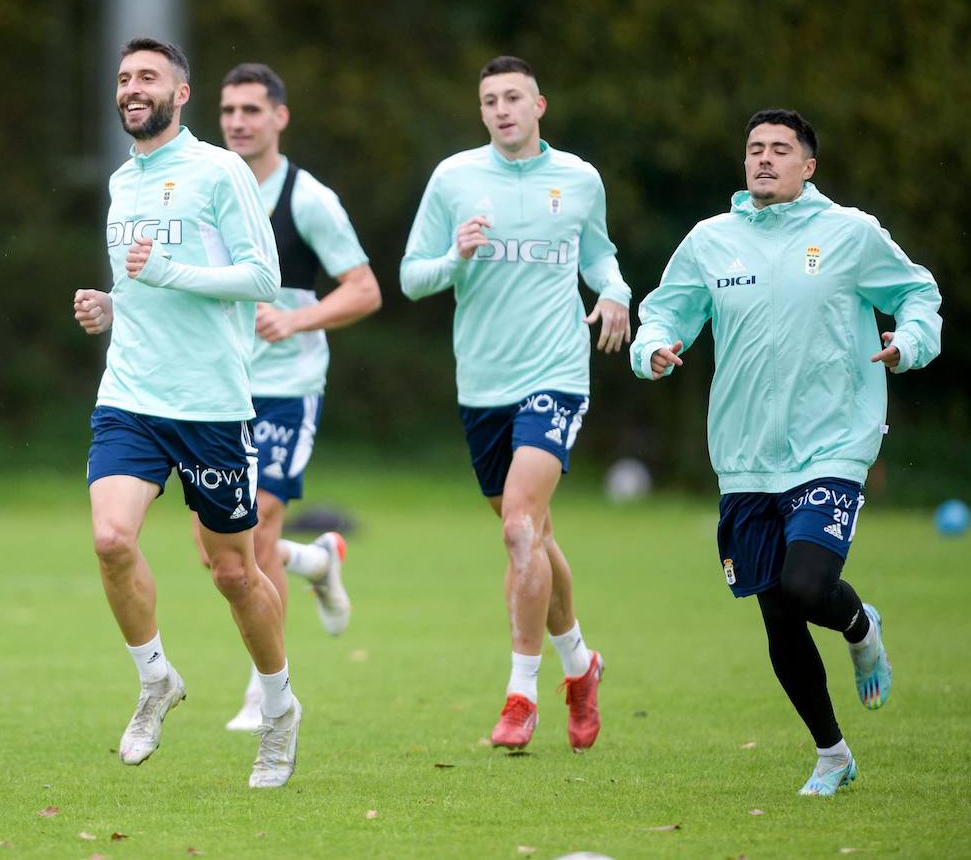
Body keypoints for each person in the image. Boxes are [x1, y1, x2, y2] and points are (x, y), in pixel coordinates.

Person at [631, 108, 941, 796]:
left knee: (806, 587)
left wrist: (910, 341)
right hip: (744, 456)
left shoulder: (850, 235)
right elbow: (665, 311)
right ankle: (832, 755)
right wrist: (650, 346)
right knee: (778, 612)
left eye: (779, 150)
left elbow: (917, 292)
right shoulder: (712, 241)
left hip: (833, 445)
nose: (764, 159)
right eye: (754, 150)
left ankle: (860, 627)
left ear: (809, 166)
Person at [71, 38, 301, 788]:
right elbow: (142, 286)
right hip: (130, 395)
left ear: (181, 91)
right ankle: (155, 679)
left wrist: (171, 272)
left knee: (235, 574)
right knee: (110, 539)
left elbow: (263, 278)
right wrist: (110, 306)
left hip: (208, 404)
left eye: (147, 77)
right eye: (123, 77)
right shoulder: (121, 182)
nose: (132, 87)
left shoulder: (219, 171)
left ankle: (277, 708)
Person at [400, 55, 629, 752]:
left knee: (519, 532)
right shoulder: (453, 179)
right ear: (482, 113)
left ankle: (520, 696)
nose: (502, 109)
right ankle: (580, 664)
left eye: (513, 98)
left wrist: (615, 291)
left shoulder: (579, 179)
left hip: (555, 373)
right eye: (490, 100)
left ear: (540, 106)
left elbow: (599, 255)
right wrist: (457, 257)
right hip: (482, 384)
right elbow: (413, 278)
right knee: (536, 538)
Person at [204, 62, 382, 731]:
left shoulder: (308, 198)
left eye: (252, 110)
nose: (238, 123)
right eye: (228, 112)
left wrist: (296, 319)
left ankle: (265, 691)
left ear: (280, 117)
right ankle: (318, 562)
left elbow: (364, 288)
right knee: (220, 550)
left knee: (260, 524)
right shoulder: (207, 190)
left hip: (287, 389)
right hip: (218, 389)